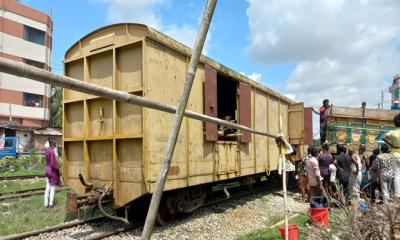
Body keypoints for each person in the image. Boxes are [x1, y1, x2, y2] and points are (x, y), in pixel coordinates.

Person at [383, 113, 400, 197]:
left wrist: (392, 145)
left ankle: (397, 195)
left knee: (397, 175)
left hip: (395, 155)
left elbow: (384, 137)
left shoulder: (392, 132)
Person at [44, 140, 61, 208]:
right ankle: (51, 204)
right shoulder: (52, 152)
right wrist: (57, 169)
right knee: (52, 189)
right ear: (53, 146)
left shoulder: (46, 151)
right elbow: (53, 163)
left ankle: (46, 204)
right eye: (55, 146)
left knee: (47, 188)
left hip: (47, 171)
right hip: (52, 172)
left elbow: (48, 162)